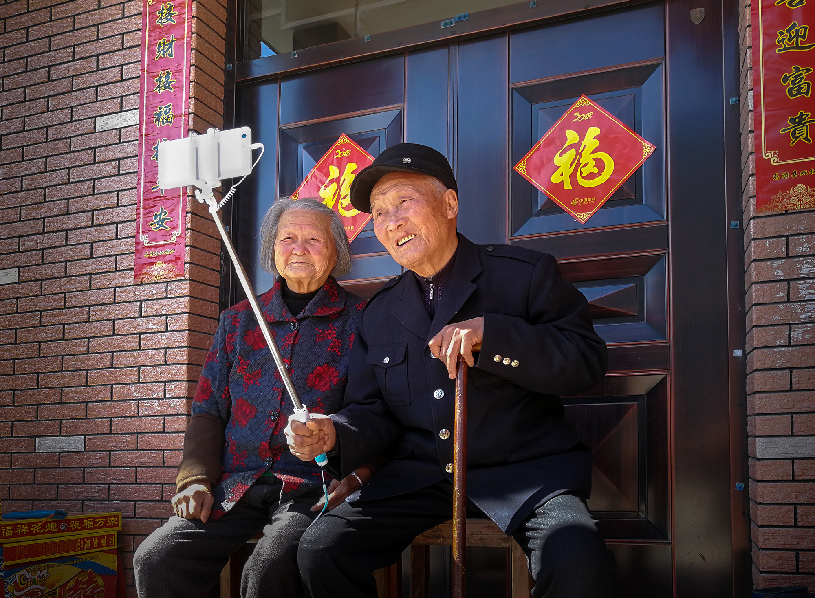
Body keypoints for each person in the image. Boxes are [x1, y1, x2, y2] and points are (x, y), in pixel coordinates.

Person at [288, 144, 616, 598]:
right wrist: (335, 432)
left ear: (449, 204)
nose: (391, 221)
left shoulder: (522, 274)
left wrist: (494, 336)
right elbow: (372, 410)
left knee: (578, 564)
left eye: (404, 201)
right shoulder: (379, 312)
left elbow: (586, 362)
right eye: (379, 213)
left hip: (526, 472)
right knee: (322, 551)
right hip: (423, 476)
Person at [134, 198, 372, 598]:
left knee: (268, 569)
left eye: (314, 239)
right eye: (287, 238)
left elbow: (377, 409)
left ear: (337, 251)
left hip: (312, 486)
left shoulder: (362, 319)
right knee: (157, 558)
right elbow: (208, 408)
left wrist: (361, 471)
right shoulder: (238, 320)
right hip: (236, 484)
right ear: (272, 249)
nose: (299, 248)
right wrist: (195, 480)